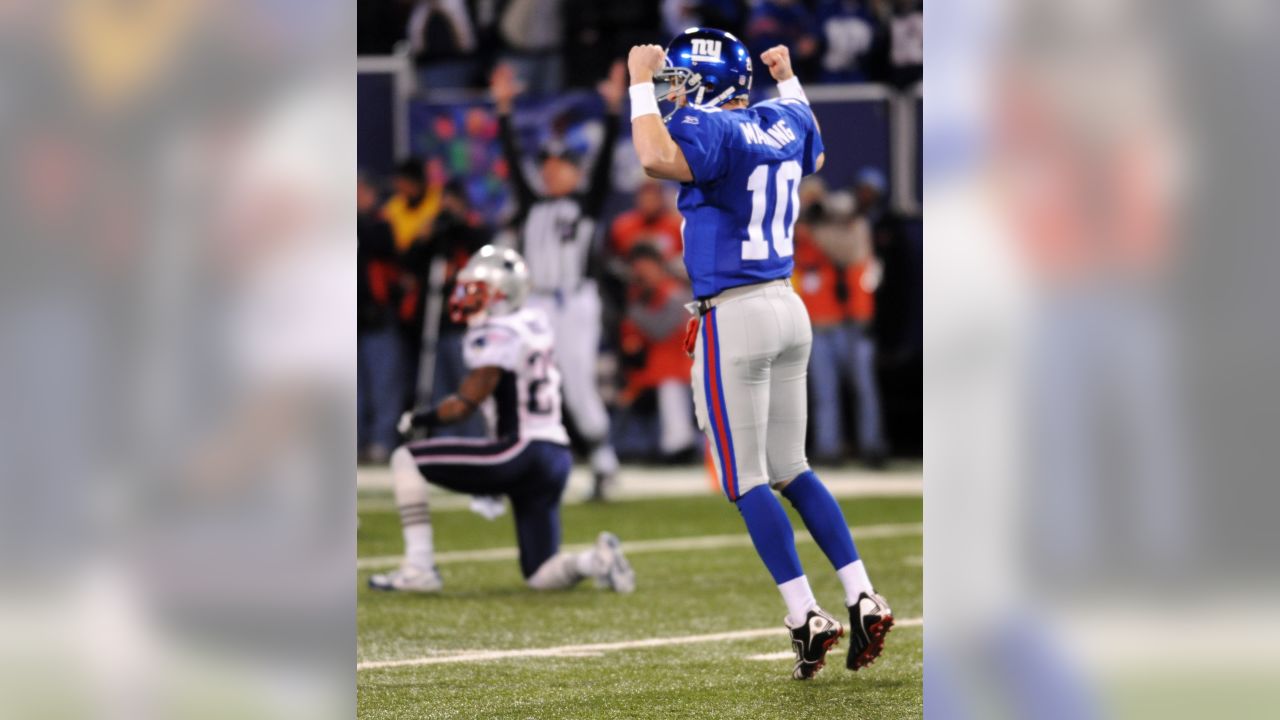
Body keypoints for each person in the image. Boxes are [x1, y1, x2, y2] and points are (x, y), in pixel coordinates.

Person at [626, 29, 892, 679]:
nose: (668, 90)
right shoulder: (783, 116)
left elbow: (655, 159)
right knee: (792, 469)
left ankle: (804, 613)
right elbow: (818, 152)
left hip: (735, 317)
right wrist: (789, 76)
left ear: (700, 84)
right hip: (788, 307)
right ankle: (861, 593)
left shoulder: (710, 132)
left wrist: (637, 85)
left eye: (675, 80)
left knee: (746, 481)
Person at [368, 246, 636, 594]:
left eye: (477, 287)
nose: (467, 294)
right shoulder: (535, 319)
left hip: (519, 450)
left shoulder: (497, 331)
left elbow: (467, 402)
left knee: (406, 458)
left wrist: (421, 418)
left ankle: (419, 567)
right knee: (540, 574)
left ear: (501, 292)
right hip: (555, 453)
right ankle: (596, 560)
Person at [490, 61, 626, 500]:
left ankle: (604, 462)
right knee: (518, 376)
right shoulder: (531, 206)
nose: (550, 171)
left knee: (578, 381)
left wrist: (611, 109)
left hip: (573, 302)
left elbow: (605, 164)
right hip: (535, 303)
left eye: (559, 164)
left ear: (576, 171)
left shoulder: (586, 203)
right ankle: (520, 461)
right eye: (546, 164)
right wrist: (504, 112)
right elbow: (513, 164)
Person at [615, 243, 698, 462]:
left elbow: (661, 329)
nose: (642, 275)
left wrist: (633, 312)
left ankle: (680, 447)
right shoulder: (637, 299)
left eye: (647, 269)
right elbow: (631, 346)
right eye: (638, 270)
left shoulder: (676, 295)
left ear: (659, 267)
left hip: (686, 376)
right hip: (648, 377)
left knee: (670, 386)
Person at [357, 173, 407, 463]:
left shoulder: (381, 224)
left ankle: (381, 439)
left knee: (383, 384)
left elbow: (386, 252)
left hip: (378, 316)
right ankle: (356, 438)